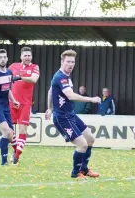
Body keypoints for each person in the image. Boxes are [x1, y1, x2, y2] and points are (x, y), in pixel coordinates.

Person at [45, 49, 101, 179]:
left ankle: (84, 169)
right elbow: (70, 95)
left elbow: (50, 91)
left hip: (70, 114)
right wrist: (91, 99)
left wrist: (49, 108)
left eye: (73, 62)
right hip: (62, 118)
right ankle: (75, 173)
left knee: (90, 139)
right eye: (68, 62)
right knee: (82, 144)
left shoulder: (64, 76)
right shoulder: (60, 77)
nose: (71, 64)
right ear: (62, 62)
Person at [8, 47, 40, 164]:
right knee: (9, 131)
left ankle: (16, 156)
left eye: (29, 56)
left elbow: (34, 80)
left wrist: (20, 77)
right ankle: (16, 150)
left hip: (26, 104)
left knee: (23, 129)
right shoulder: (12, 66)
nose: (27, 57)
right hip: (12, 102)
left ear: (31, 57)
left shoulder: (34, 67)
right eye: (25, 55)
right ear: (21, 56)